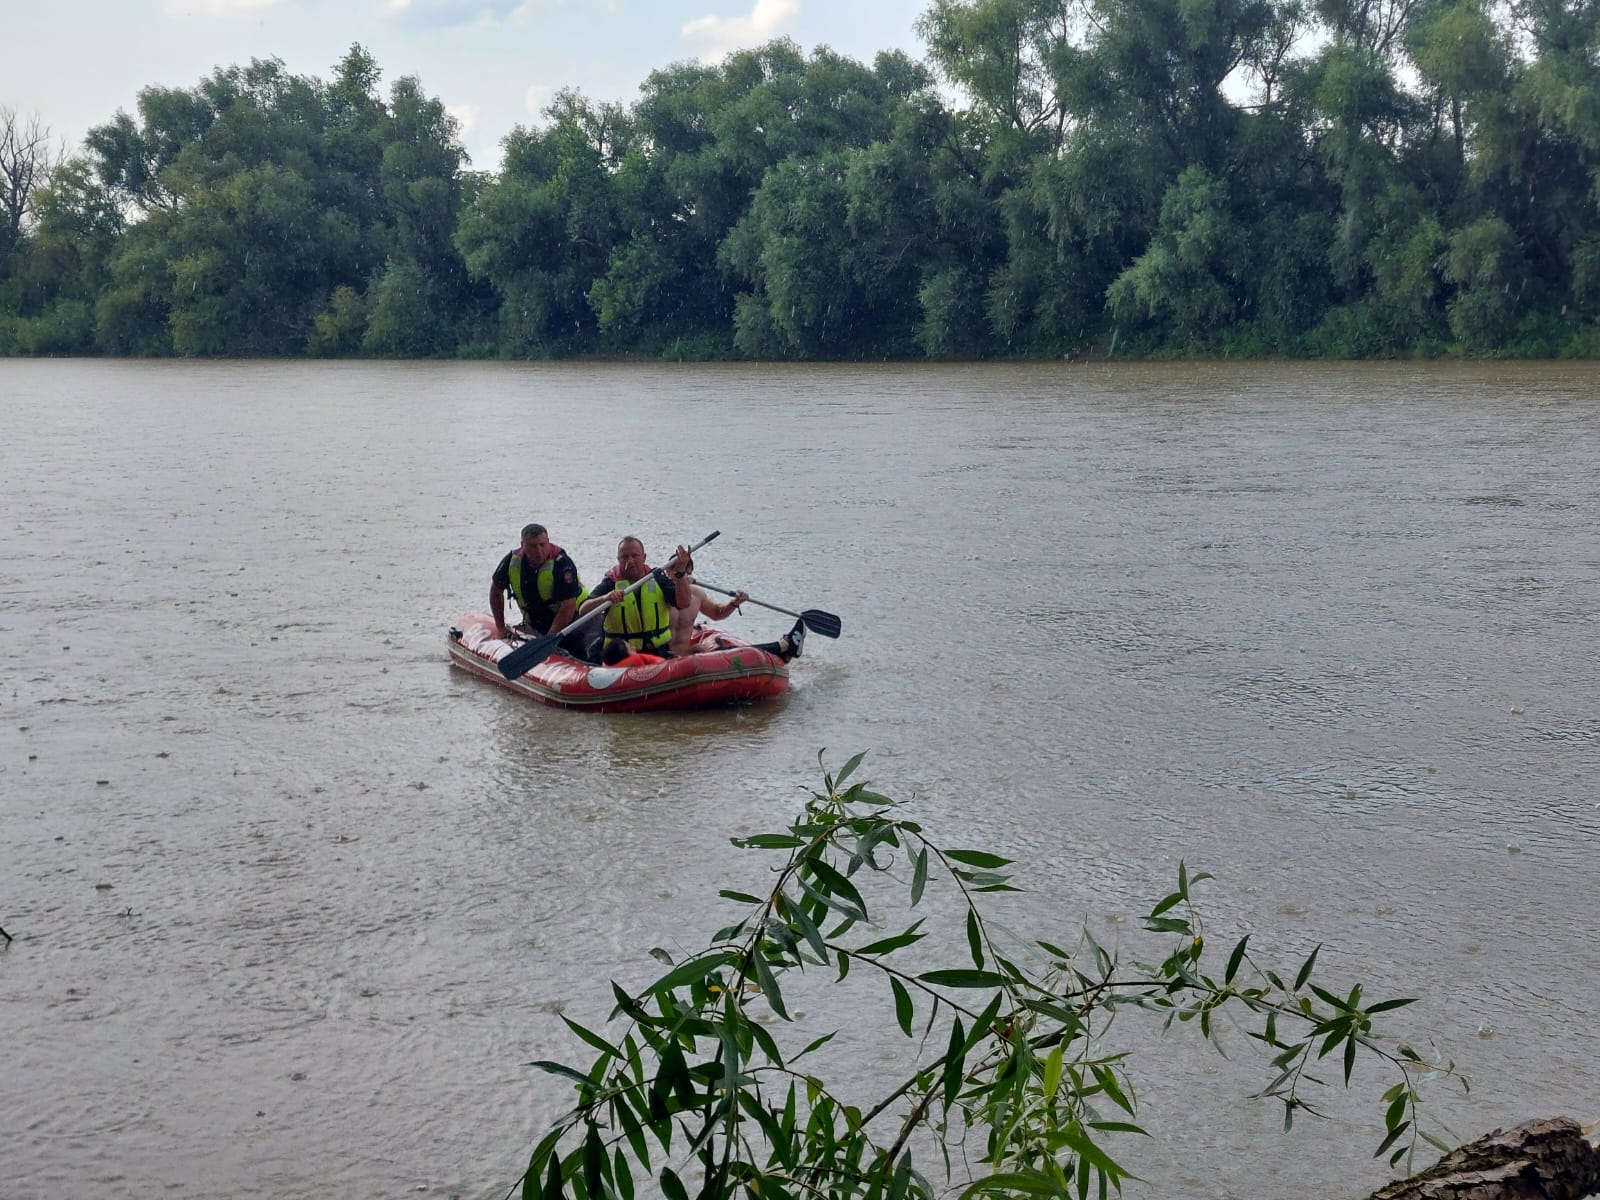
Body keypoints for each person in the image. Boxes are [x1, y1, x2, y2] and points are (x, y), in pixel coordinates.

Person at [662, 547, 804, 661]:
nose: (679, 573)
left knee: (710, 651)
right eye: (675, 569)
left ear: (690, 572)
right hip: (661, 657)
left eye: (684, 569)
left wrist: (735, 603)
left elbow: (717, 614)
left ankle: (783, 647)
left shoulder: (697, 594)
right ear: (667, 571)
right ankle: (782, 647)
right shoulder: (657, 593)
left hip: (686, 653)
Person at [490, 524, 590, 652]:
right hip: (538, 620)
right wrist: (501, 628)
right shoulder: (512, 560)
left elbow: (568, 605)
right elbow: (496, 591)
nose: (539, 551)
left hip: (577, 618)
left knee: (578, 649)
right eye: (533, 546)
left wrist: (548, 640)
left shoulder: (562, 562)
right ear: (522, 545)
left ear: (548, 542)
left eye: (542, 545)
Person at [577, 536, 679, 657]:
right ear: (618, 559)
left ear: (644, 557)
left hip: (657, 650)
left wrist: (681, 574)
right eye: (624, 557)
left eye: (635, 556)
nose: (630, 561)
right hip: (622, 653)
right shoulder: (611, 582)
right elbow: (583, 610)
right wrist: (605, 598)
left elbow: (683, 603)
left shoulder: (658, 578)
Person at [600, 638, 666, 669]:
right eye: (631, 648)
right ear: (624, 657)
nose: (634, 647)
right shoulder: (638, 660)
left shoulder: (607, 666)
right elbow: (664, 664)